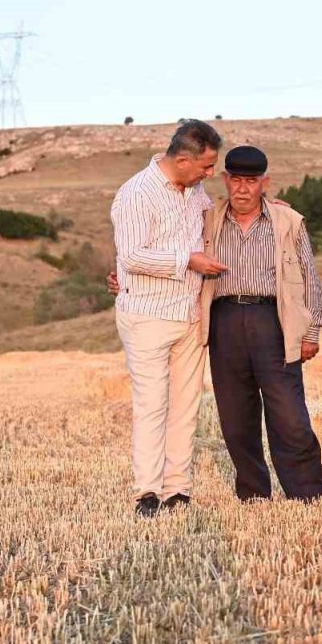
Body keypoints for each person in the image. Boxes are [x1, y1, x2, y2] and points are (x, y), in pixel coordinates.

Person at [110, 120, 228, 518]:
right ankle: (147, 490)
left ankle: (178, 488)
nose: (210, 174)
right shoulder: (135, 194)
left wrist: (267, 206)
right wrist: (188, 260)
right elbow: (132, 256)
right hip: (146, 315)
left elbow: (216, 222)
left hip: (190, 313)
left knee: (185, 405)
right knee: (152, 403)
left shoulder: (196, 193)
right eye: (206, 167)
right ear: (182, 160)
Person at [200, 145, 322, 502]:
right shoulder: (206, 219)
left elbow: (309, 277)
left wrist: (311, 331)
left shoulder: (289, 221)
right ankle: (253, 494)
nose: (242, 189)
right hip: (223, 321)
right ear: (225, 180)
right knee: (236, 416)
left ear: (264, 183)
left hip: (274, 320)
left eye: (251, 181)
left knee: (289, 414)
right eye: (236, 180)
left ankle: (306, 494)